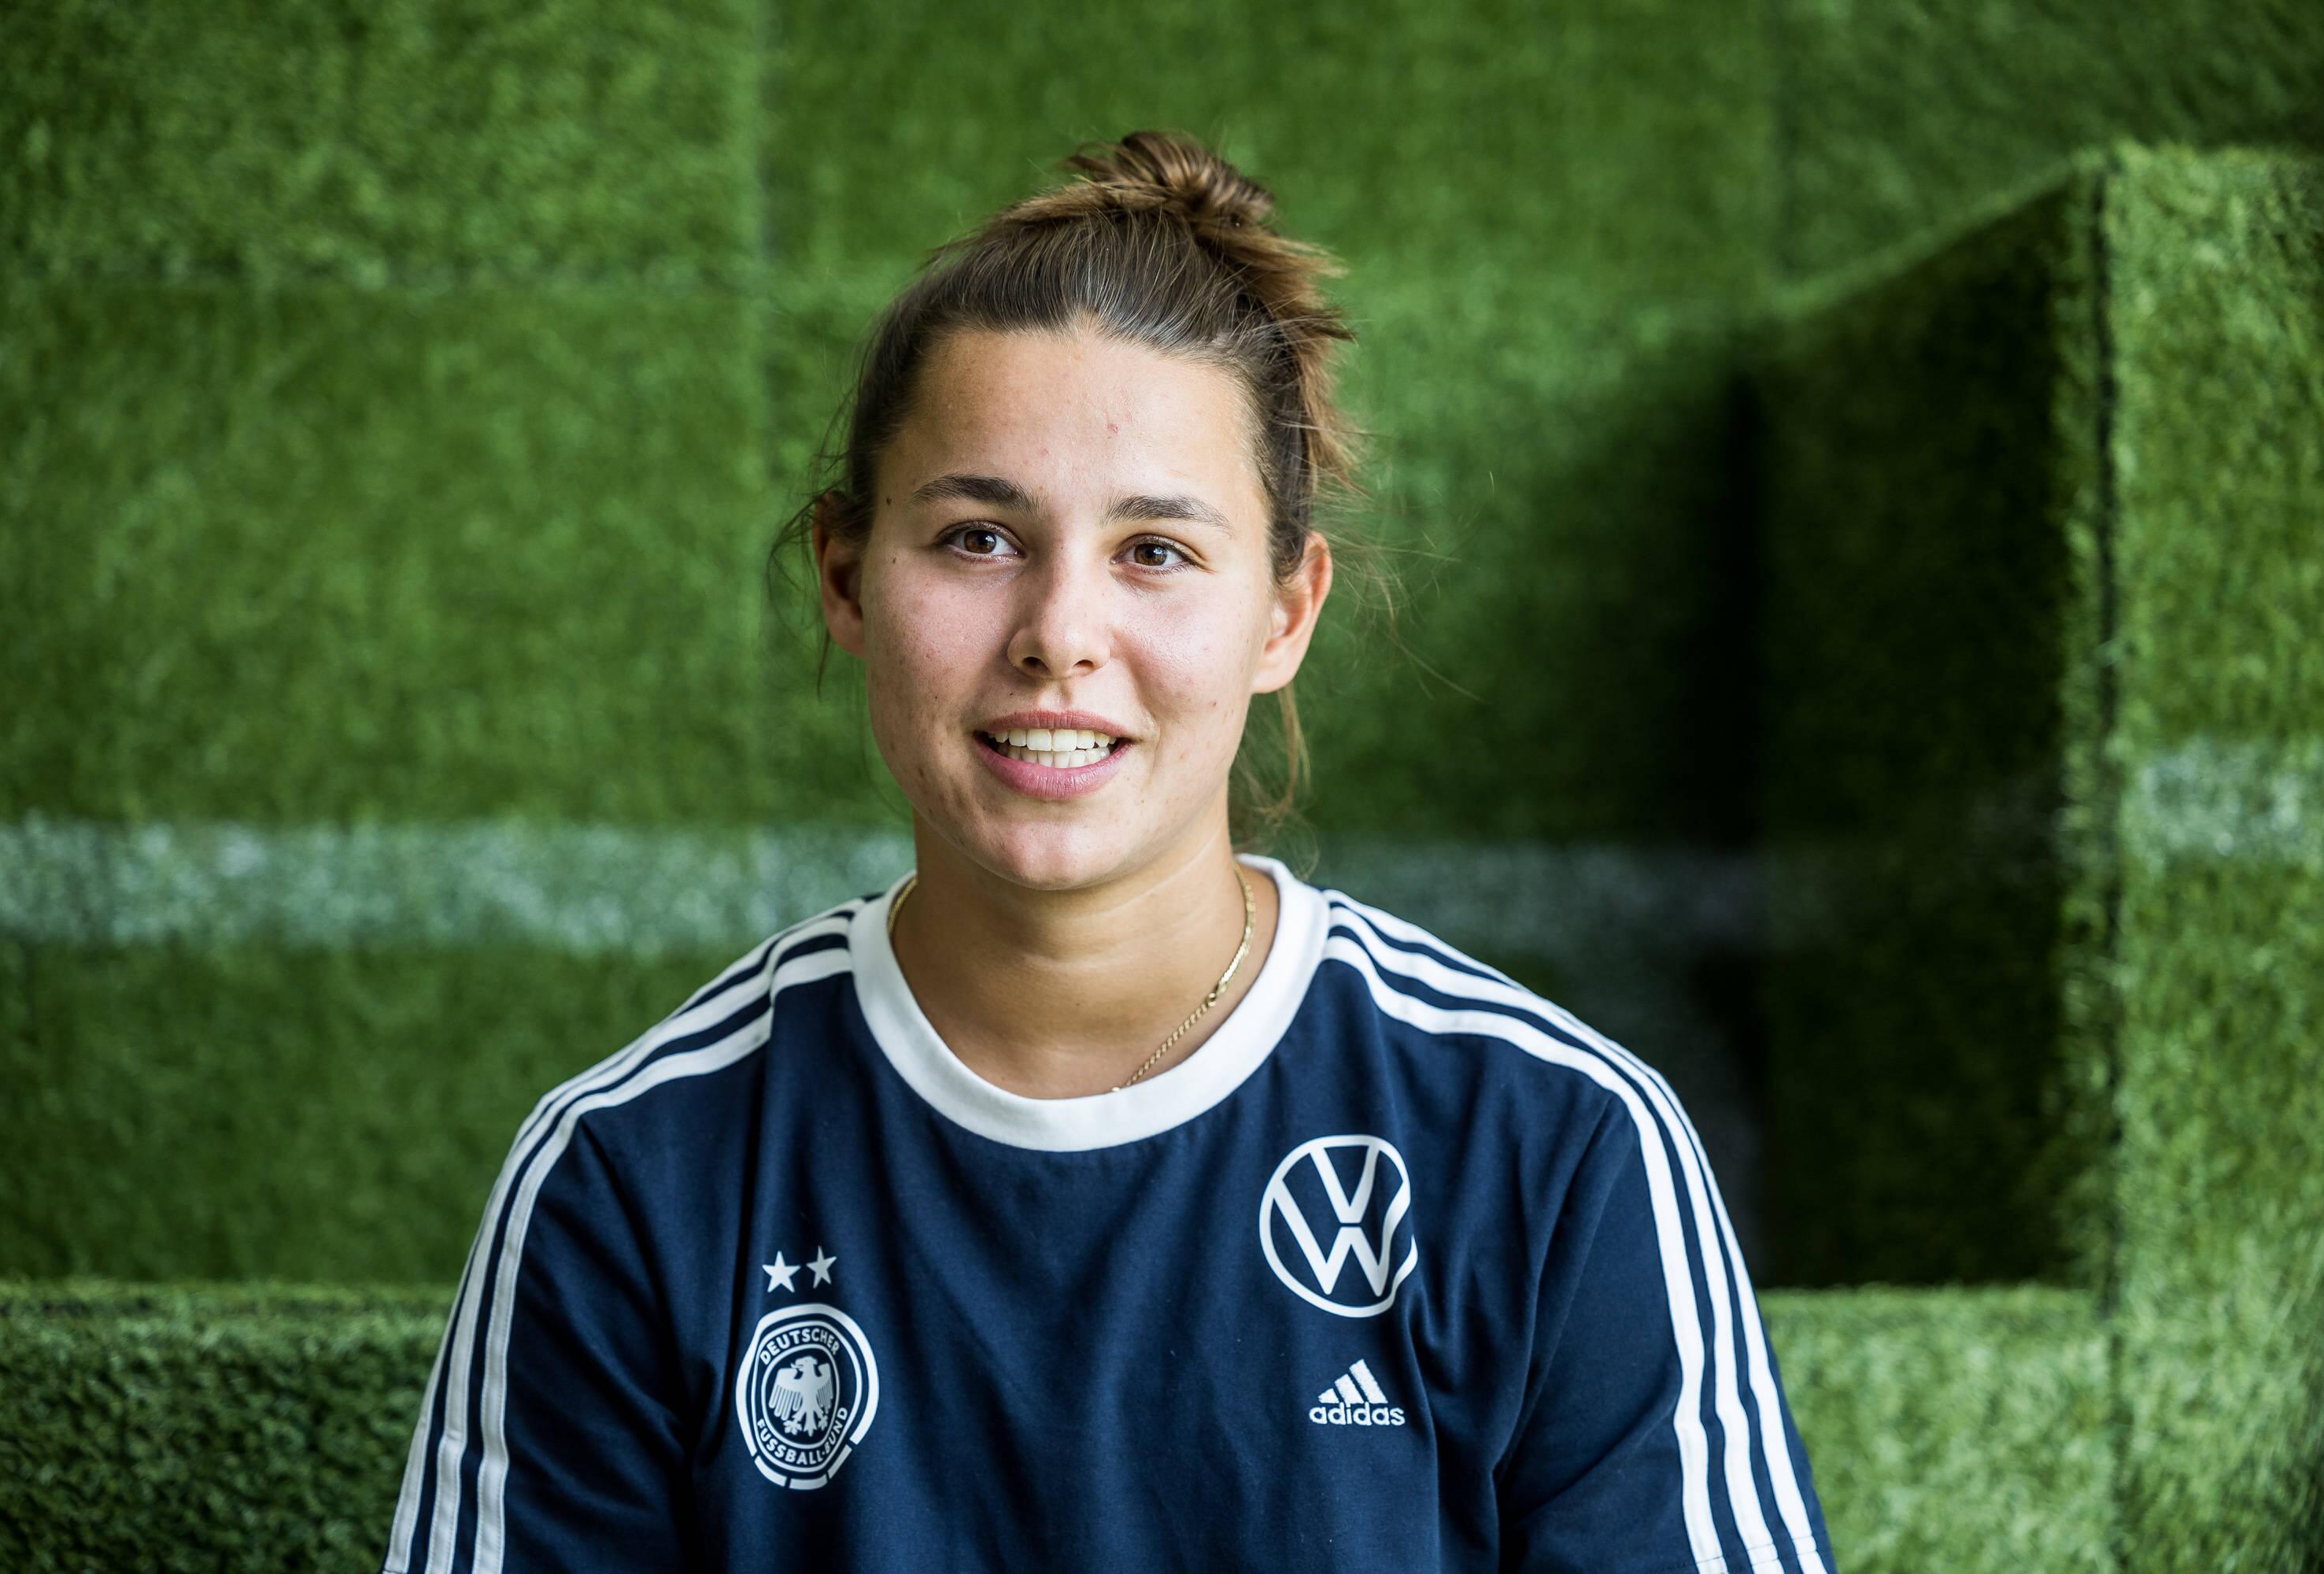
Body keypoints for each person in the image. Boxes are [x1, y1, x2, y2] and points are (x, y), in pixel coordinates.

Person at [381, 128, 1836, 1574]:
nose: (1059, 635)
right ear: (847, 576)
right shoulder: (631, 1176)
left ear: (1285, 613)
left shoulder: (1555, 1146)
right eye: (977, 538)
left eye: (1156, 552)